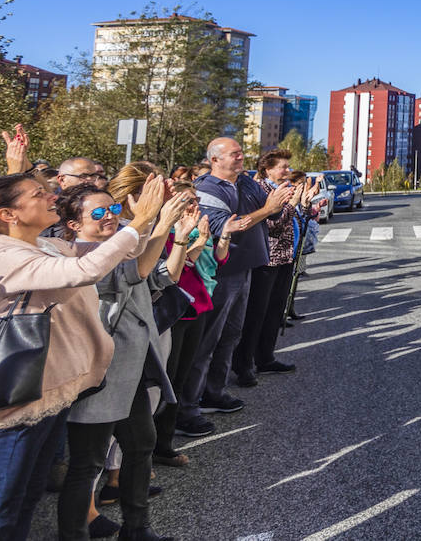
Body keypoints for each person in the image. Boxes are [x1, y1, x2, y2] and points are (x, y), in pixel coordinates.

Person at [0, 173, 163, 541]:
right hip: (17, 402)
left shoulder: (42, 246)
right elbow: (84, 271)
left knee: (26, 497)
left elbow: (122, 254)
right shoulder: (2, 255)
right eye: (38, 194)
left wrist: (155, 220)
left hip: (47, 392)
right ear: (8, 214)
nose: (51, 196)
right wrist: (139, 222)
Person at [56, 175, 189, 541]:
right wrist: (156, 222)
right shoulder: (78, 256)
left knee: (141, 446)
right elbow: (134, 272)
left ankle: (137, 529)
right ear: (74, 224)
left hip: (130, 369)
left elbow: (155, 278)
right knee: (87, 463)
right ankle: (72, 534)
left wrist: (175, 233)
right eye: (98, 212)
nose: (110, 216)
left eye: (113, 208)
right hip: (97, 374)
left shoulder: (121, 244)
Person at [175, 139, 290, 435]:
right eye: (234, 154)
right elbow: (228, 225)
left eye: (241, 152)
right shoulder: (208, 188)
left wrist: (278, 204)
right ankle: (188, 405)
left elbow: (272, 213)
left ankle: (215, 391)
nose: (241, 157)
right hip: (219, 273)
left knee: (231, 335)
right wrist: (268, 209)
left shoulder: (247, 183)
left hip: (245, 268)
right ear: (215, 159)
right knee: (207, 341)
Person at [233, 154, 313, 386]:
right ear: (267, 170)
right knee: (256, 313)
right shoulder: (260, 190)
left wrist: (304, 204)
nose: (288, 170)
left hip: (285, 257)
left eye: (288, 166)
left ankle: (265, 357)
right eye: (282, 167)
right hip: (265, 259)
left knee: (275, 311)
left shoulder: (283, 188)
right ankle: (244, 363)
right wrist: (291, 204)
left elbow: (295, 219)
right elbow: (273, 223)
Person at [152, 184, 216, 465]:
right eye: (186, 201)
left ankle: (163, 445)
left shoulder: (186, 226)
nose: (193, 206)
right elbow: (170, 270)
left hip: (194, 306)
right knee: (164, 379)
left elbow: (189, 261)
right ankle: (144, 451)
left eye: (195, 201)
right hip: (171, 313)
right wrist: (190, 239)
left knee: (179, 378)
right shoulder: (160, 229)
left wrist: (201, 239)